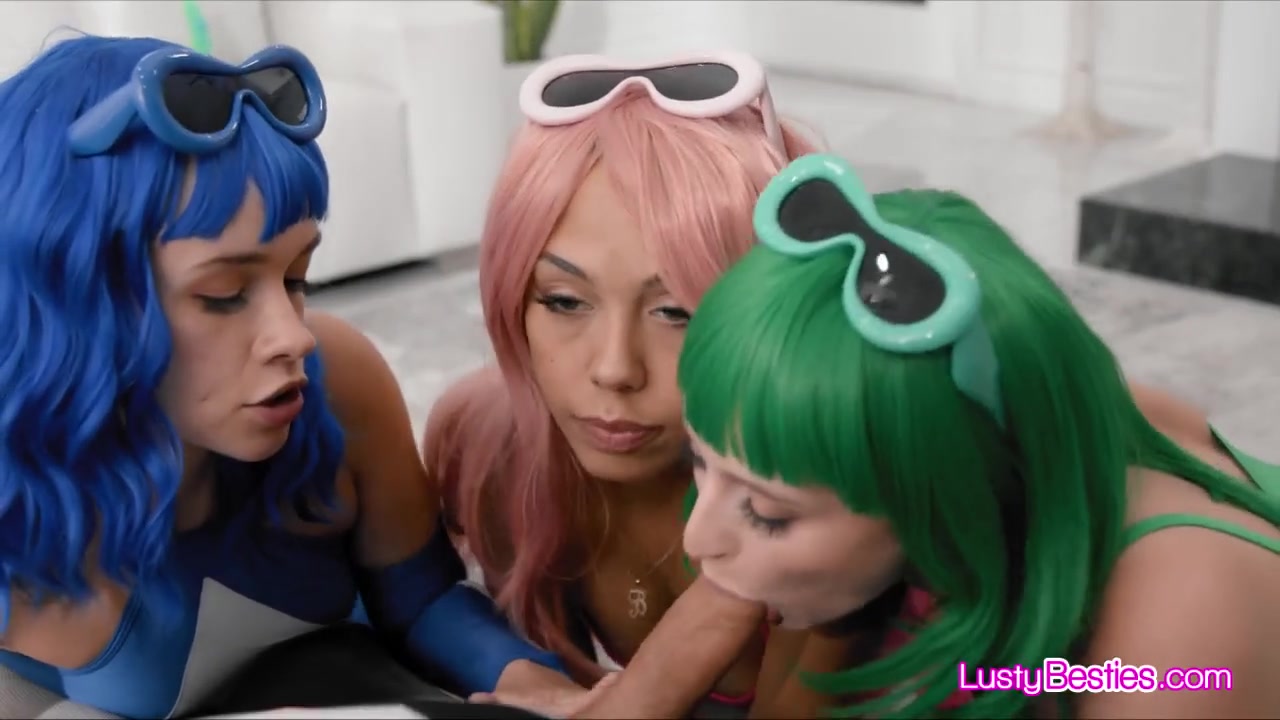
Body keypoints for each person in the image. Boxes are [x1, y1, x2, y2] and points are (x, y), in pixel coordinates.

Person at [0, 35, 574, 719]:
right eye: (224, 294)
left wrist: (523, 676)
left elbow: (423, 598)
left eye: (297, 278)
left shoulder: (338, 379)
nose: (293, 334)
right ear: (77, 299)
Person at [429, 52, 969, 719]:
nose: (615, 369)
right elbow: (421, 602)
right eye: (563, 300)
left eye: (677, 312)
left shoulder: (829, 505)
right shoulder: (484, 443)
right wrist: (522, 675)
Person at [677, 152, 1280, 718]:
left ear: (947, 488)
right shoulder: (1028, 427)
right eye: (698, 459)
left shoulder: (1178, 643)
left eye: (766, 513)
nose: (696, 538)